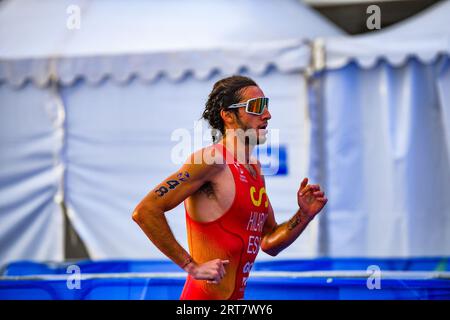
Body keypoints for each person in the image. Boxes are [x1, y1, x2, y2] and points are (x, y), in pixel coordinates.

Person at [132, 75, 327, 300]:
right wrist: (191, 266)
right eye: (256, 107)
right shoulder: (211, 160)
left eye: (266, 105)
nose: (267, 114)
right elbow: (145, 211)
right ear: (228, 115)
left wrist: (303, 215)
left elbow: (269, 241)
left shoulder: (254, 168)